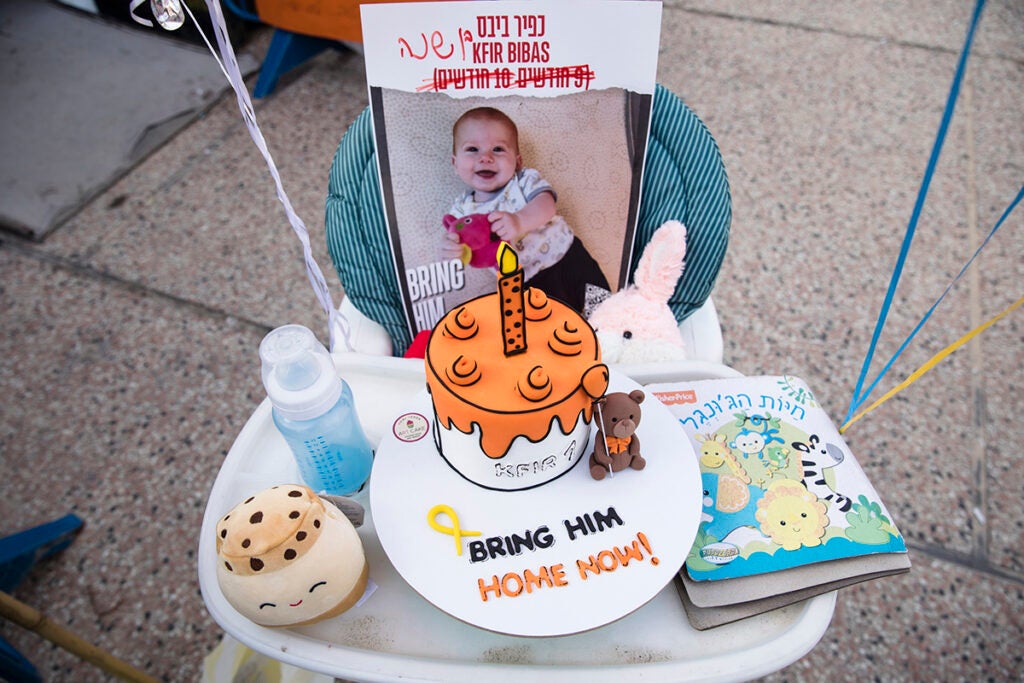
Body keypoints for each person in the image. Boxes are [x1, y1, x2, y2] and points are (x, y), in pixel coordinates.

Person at [441, 106, 609, 313]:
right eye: (473, 149)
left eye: (498, 149)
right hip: (527, 283)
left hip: (569, 257)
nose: (485, 157)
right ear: (455, 164)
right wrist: (453, 251)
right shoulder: (461, 211)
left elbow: (546, 204)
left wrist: (520, 221)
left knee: (604, 307)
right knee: (554, 329)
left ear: (517, 162)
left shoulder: (523, 181)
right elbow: (461, 245)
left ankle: (614, 336)